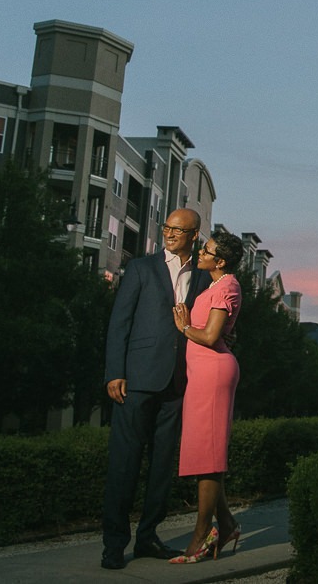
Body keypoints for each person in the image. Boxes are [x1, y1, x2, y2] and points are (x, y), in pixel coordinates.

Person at [100, 208, 211, 571]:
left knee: (162, 467)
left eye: (178, 229)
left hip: (179, 383)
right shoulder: (141, 269)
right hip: (137, 380)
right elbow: (120, 323)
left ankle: (148, 537)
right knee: (124, 464)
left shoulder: (203, 278)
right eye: (166, 227)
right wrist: (115, 371)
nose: (169, 234)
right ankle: (114, 544)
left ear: (194, 235)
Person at [169, 230, 245, 563]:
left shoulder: (227, 286)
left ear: (221, 261)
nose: (201, 251)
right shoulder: (215, 286)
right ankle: (226, 525)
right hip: (202, 376)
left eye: (207, 249)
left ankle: (201, 537)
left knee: (209, 457)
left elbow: (212, 335)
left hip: (213, 374)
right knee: (206, 453)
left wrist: (184, 328)